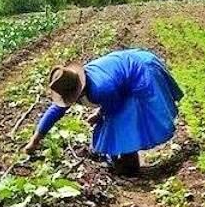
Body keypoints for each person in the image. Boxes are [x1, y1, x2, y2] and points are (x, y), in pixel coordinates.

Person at [24, 49, 184, 176]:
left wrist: (99, 115)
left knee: (124, 120)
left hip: (143, 69)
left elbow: (115, 108)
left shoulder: (100, 89)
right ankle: (123, 157)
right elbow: (55, 111)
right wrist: (35, 140)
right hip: (128, 69)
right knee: (112, 125)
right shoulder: (74, 82)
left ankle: (129, 161)